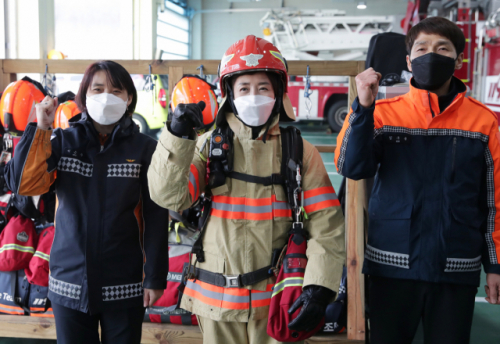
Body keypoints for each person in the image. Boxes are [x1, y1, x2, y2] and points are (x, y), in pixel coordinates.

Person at [148, 35, 345, 344]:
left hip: (277, 303)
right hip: (216, 304)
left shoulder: (300, 151)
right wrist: (176, 138)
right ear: (229, 94)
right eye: (244, 88)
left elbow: (327, 227)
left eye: (263, 88)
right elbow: (168, 196)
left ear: (279, 92)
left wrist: (318, 288)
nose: (254, 96)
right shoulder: (207, 146)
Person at [335, 17, 500, 344]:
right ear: (409, 61)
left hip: (456, 268)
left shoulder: (484, 121)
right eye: (422, 49)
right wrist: (362, 107)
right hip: (391, 268)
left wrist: (495, 265)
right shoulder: (383, 113)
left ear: (459, 60)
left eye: (442, 49)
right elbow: (350, 166)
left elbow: (495, 201)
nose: (431, 55)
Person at [5, 60, 169, 344]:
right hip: (68, 283)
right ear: (84, 96)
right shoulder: (63, 141)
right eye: (98, 88)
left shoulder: (145, 149)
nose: (107, 96)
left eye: (117, 90)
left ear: (129, 98)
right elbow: (24, 184)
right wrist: (40, 126)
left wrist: (155, 277)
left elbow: (156, 216)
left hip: (124, 284)